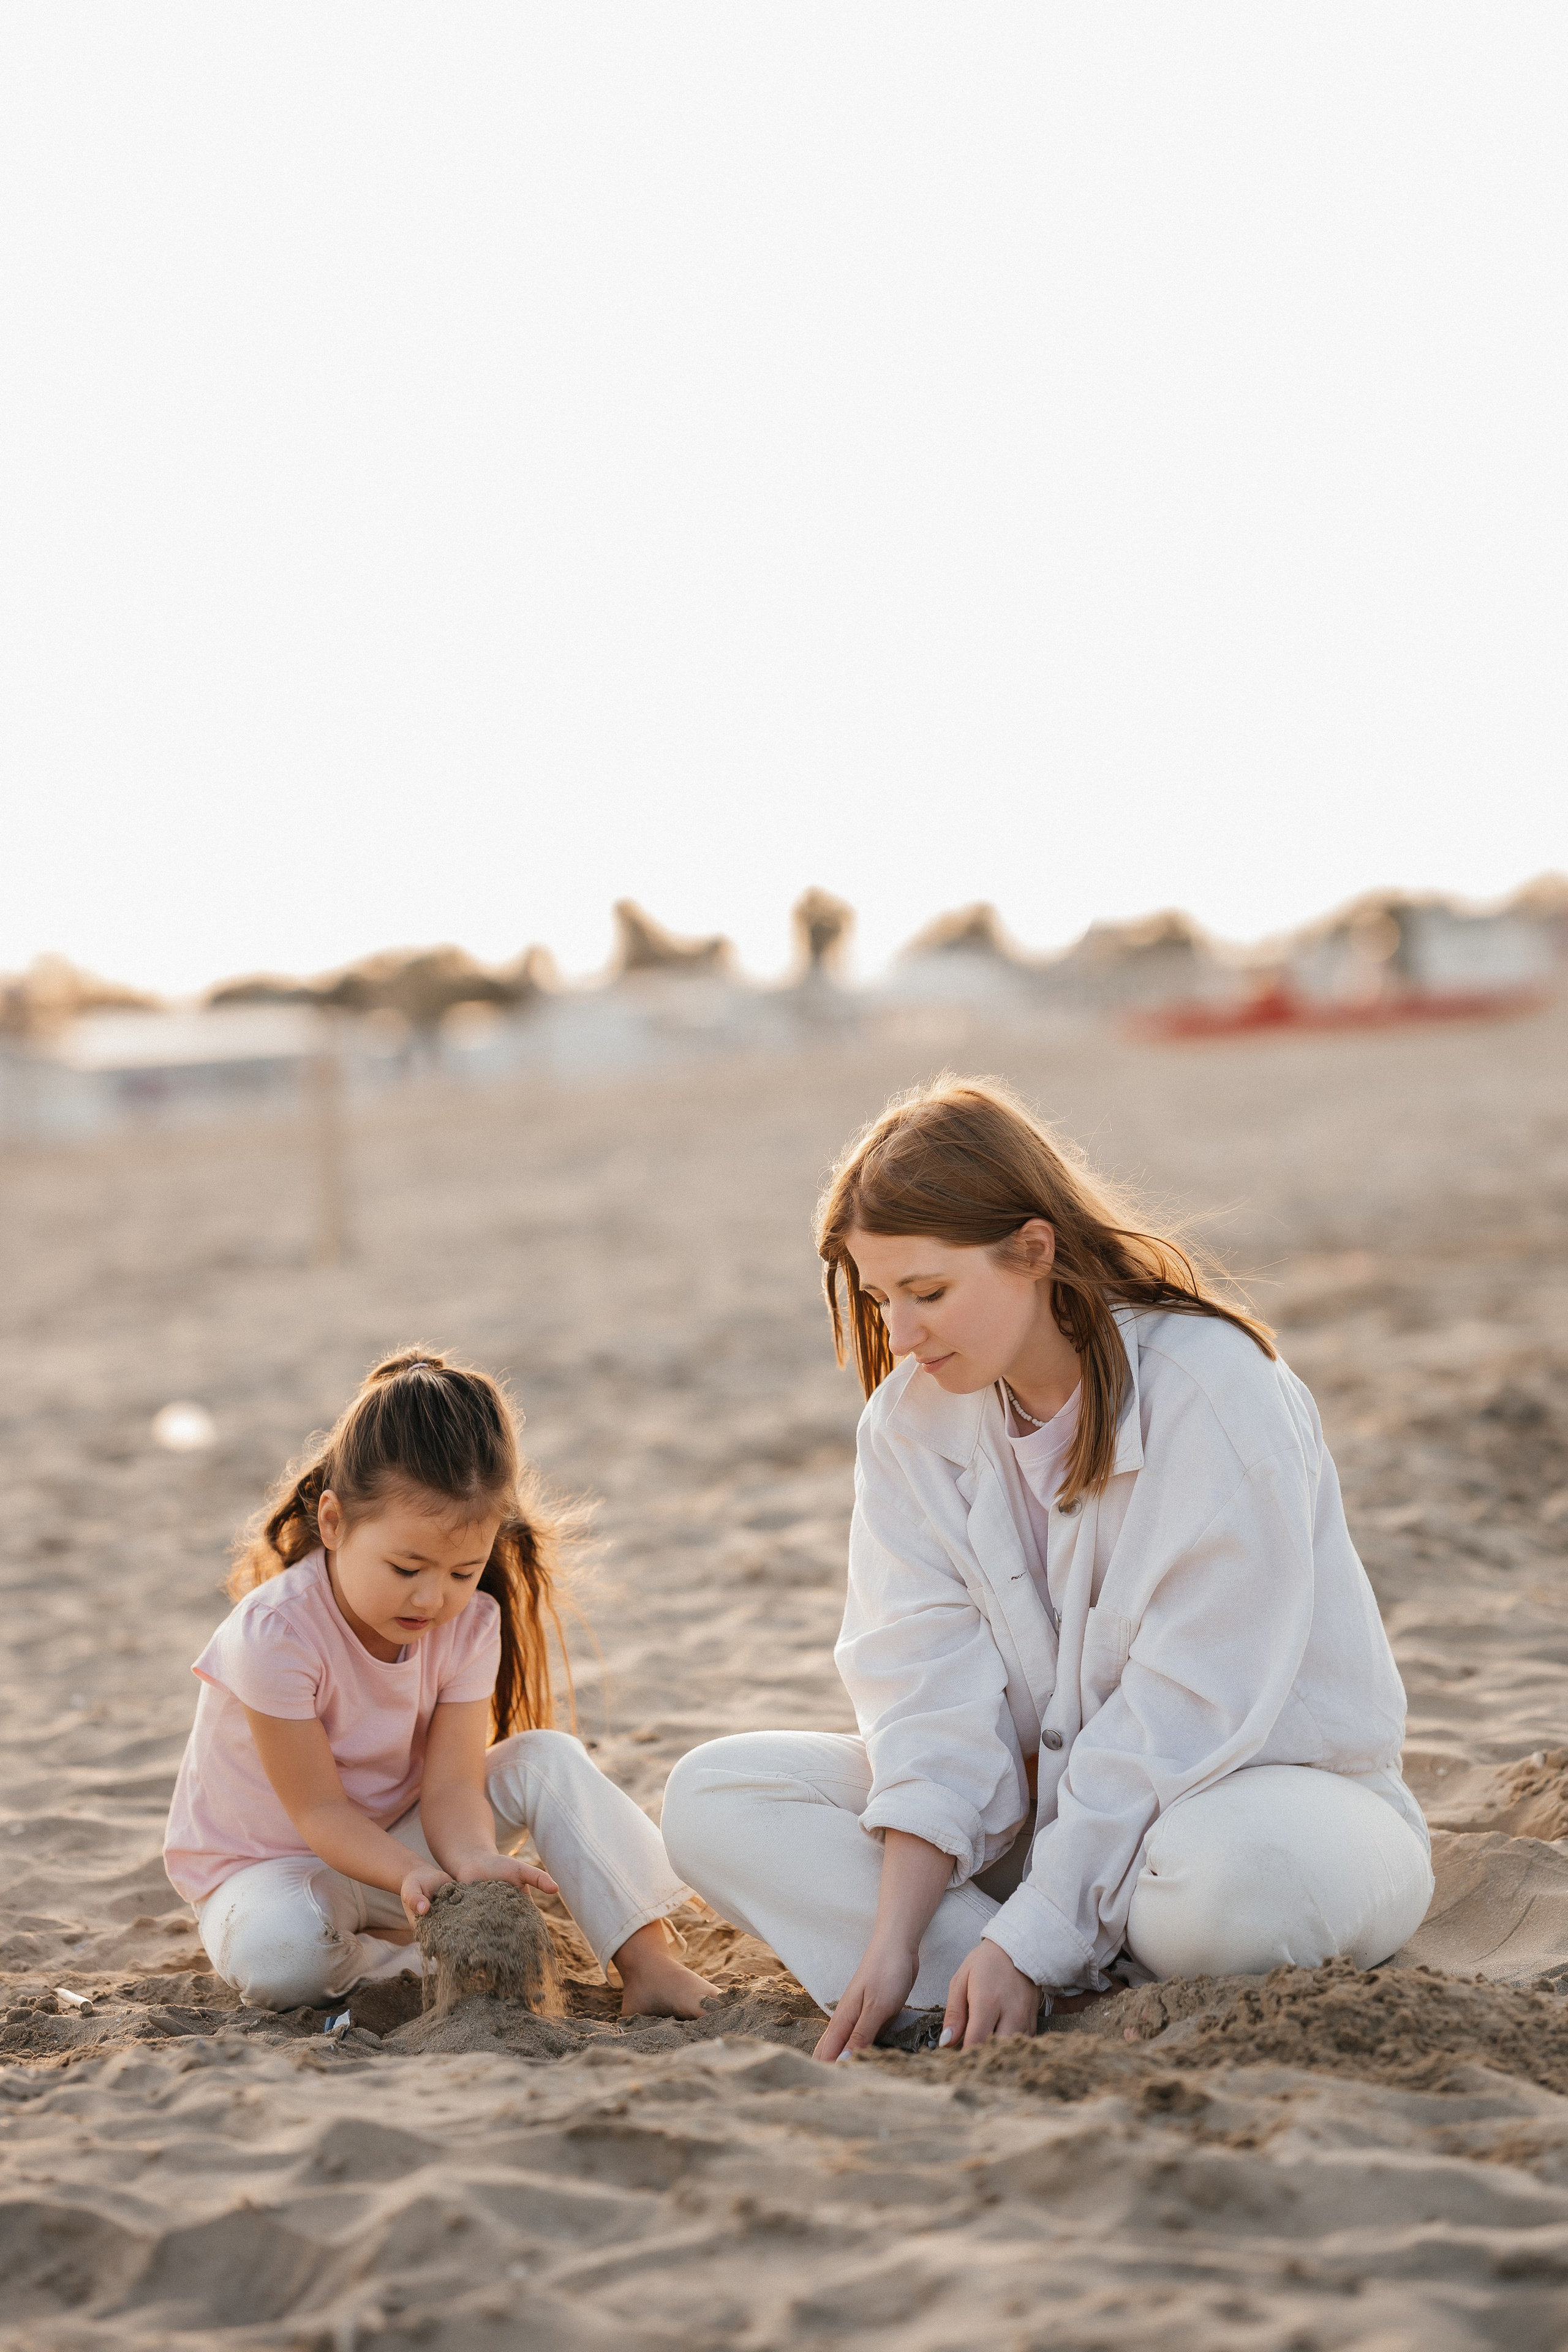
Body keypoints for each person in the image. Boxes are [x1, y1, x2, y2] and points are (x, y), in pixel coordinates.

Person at [662, 1078, 1433, 2059]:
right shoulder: (908, 1426)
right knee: (718, 1796)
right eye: (879, 1298)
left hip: (1264, 1806)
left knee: (1221, 1891)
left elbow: (1179, 1719)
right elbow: (928, 1703)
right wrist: (896, 1942)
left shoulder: (1216, 1392)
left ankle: (1028, 1967)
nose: (899, 1335)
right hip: (1045, 1828)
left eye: (928, 1293)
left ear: (1035, 1249)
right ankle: (984, 1983)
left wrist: (1035, 1933)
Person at [164, 1348, 715, 2017]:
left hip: (405, 1843)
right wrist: (418, 1878)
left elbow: (452, 1785)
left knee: (548, 1759)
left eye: (462, 1572)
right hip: (274, 1870)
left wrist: (473, 1858)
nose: (432, 1599)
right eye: (406, 1568)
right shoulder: (275, 1634)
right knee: (283, 1960)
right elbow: (321, 1815)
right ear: (333, 1523)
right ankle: (407, 1956)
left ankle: (647, 1961)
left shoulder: (471, 1623)